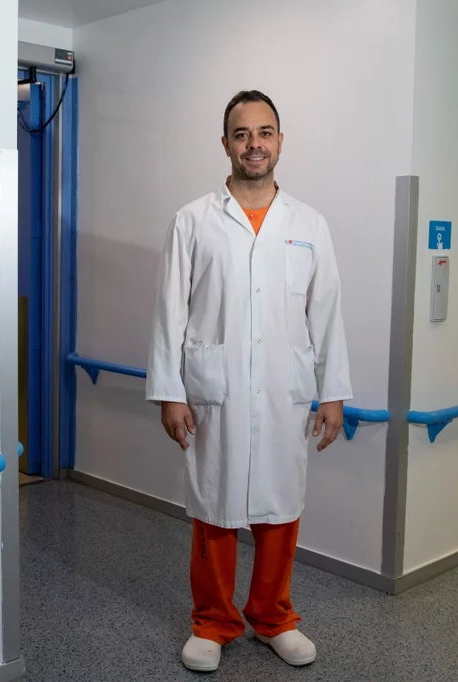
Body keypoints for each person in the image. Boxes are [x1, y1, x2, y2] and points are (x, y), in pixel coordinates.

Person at [145, 90, 352, 673]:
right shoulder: (193, 220)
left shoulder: (308, 224)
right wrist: (170, 392)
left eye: (265, 132)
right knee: (214, 505)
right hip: (218, 392)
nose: (254, 143)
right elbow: (169, 312)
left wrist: (332, 391)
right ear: (226, 144)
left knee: (280, 508)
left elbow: (326, 312)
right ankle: (212, 622)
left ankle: (273, 617)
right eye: (242, 134)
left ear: (280, 141)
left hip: (286, 393)